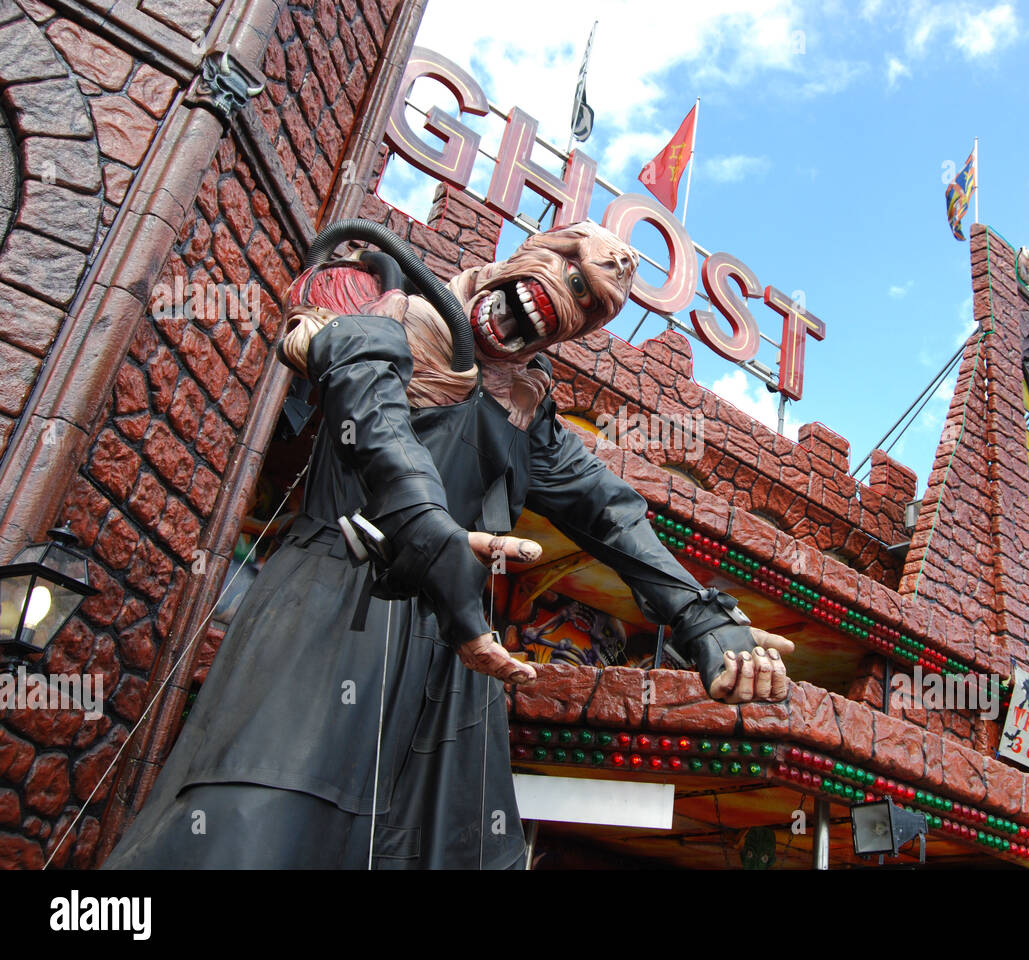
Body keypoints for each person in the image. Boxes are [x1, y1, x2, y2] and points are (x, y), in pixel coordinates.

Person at [104, 221, 793, 869]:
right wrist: (427, 529)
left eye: (590, 304)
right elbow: (373, 419)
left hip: (455, 657)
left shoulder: (525, 408)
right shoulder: (384, 302)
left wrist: (701, 616)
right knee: (258, 821)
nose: (572, 296)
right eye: (570, 267)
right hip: (332, 603)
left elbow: (607, 510)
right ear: (535, 248)